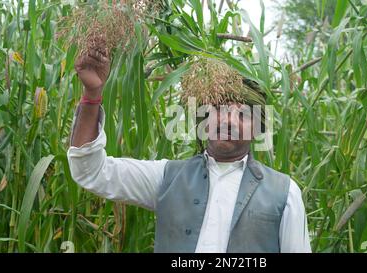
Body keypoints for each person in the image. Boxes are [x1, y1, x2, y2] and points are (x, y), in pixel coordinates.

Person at [67, 46, 311, 253]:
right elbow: (92, 172)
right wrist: (92, 95)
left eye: (243, 114)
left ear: (258, 129)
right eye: (219, 109)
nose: (228, 121)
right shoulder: (166, 178)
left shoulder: (285, 193)